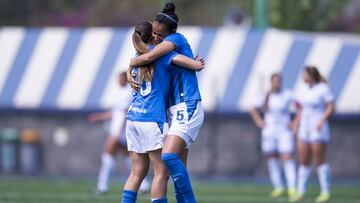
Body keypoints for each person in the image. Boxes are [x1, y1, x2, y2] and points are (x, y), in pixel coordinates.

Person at [130, 3, 204, 203]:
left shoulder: (175, 40)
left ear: (170, 34)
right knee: (178, 165)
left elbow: (151, 55)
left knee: (168, 156)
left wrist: (131, 64)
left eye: (159, 34)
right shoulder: (161, 52)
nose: (155, 37)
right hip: (174, 109)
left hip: (187, 104)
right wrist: (130, 72)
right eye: (153, 32)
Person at [88, 72, 150, 194]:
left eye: (120, 78)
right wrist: (99, 117)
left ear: (125, 79)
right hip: (121, 130)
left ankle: (102, 186)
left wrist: (118, 132)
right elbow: (115, 113)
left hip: (120, 130)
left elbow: (124, 112)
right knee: (129, 157)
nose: (118, 81)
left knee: (107, 155)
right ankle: (144, 185)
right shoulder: (121, 92)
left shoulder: (127, 92)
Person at [291, 66, 335, 203]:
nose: (302, 77)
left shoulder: (323, 88)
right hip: (304, 128)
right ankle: (300, 191)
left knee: (319, 160)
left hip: (317, 127)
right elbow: (301, 109)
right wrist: (295, 124)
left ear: (311, 74)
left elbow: (331, 106)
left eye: (304, 74)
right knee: (304, 161)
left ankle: (325, 191)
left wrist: (322, 119)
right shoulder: (303, 90)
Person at [250, 73, 297, 200]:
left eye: (279, 81)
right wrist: (259, 122)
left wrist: (294, 123)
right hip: (269, 131)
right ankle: (278, 187)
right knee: (272, 157)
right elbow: (254, 108)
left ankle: (292, 188)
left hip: (283, 130)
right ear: (271, 82)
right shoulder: (266, 95)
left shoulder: (287, 94)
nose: (277, 83)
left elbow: (300, 107)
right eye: (275, 81)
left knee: (287, 156)